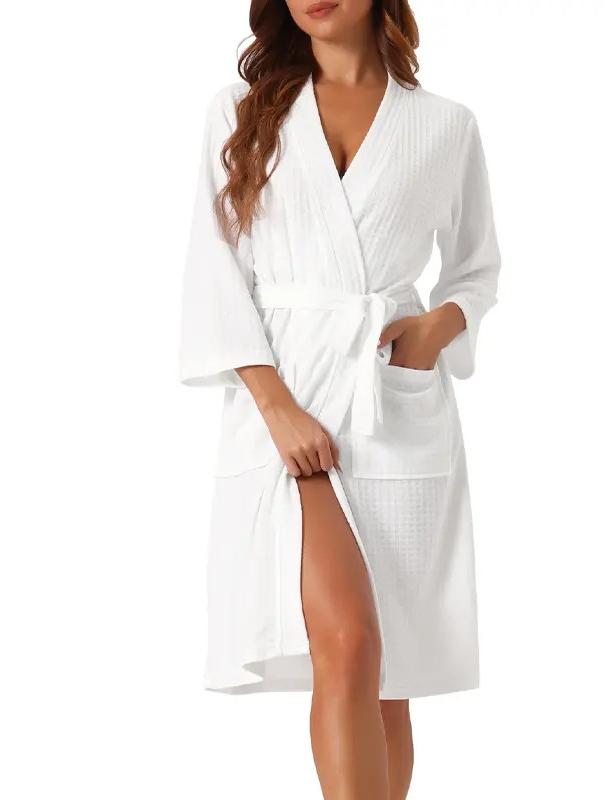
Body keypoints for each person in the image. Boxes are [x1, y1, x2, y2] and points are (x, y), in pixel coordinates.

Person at [179, 1, 501, 797]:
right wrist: (275, 406)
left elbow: (476, 269)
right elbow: (214, 270)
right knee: (351, 643)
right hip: (283, 403)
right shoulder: (242, 110)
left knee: (385, 671)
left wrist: (436, 329)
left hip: (393, 406)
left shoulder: (445, 126)